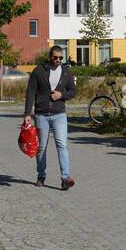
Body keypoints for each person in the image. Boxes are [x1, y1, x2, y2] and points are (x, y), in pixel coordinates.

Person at [24, 45, 77, 190]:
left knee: (62, 145)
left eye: (61, 58)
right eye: (55, 57)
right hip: (42, 115)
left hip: (59, 114)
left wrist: (62, 95)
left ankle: (65, 179)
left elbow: (73, 91)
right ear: (50, 56)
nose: (58, 60)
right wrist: (27, 113)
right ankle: (41, 176)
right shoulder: (39, 71)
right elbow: (30, 92)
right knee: (41, 148)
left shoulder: (66, 72)